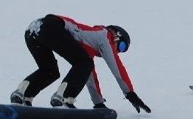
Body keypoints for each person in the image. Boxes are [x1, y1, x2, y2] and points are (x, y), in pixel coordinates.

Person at [9, 14, 151, 113]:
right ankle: (63, 99)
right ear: (116, 36)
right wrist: (130, 94)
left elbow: (88, 74)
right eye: (121, 47)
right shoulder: (105, 35)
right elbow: (117, 68)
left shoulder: (88, 43)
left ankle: (22, 95)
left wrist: (98, 103)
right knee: (84, 63)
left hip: (33, 30)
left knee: (50, 70)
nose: (118, 52)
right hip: (52, 26)